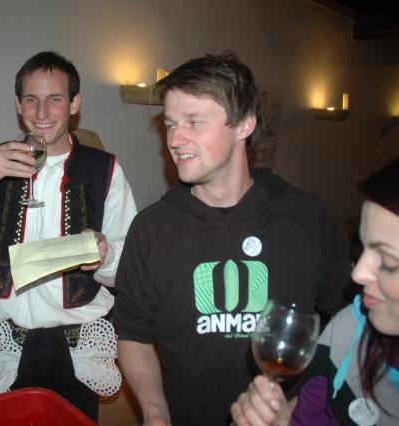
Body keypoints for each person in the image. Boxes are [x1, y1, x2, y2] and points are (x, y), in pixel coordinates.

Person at [113, 51, 352, 425]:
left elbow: (350, 321)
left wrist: (302, 406)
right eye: (170, 124)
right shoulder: (151, 229)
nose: (175, 139)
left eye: (194, 122)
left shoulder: (306, 218)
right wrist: (155, 410)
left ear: (244, 124)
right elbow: (134, 336)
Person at [0, 51, 137, 421]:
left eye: (54, 99)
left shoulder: (106, 169)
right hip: (11, 348)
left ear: (74, 103)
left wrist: (105, 255)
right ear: (17, 105)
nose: (41, 113)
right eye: (31, 99)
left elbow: (130, 270)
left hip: (79, 348)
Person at [231, 158, 399, 426]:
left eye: (388, 262)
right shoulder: (345, 330)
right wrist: (282, 422)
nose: (357, 274)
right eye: (363, 246)